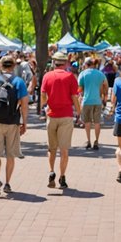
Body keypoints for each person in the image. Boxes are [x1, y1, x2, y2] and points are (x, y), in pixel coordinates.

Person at [0, 55, 29, 196]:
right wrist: (24, 123)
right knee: (10, 155)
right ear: (14, 66)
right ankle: (7, 184)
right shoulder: (19, 82)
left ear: (0, 66)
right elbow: (24, 104)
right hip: (12, 122)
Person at [41, 51, 81, 189]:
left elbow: (43, 95)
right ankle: (62, 177)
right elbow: (75, 97)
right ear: (65, 63)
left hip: (52, 115)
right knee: (64, 150)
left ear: (54, 62)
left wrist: (44, 107)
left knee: (51, 148)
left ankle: (51, 171)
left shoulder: (47, 76)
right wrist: (79, 111)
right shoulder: (70, 77)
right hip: (66, 115)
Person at [77, 57, 108, 150]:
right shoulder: (100, 74)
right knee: (97, 122)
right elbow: (105, 85)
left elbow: (79, 88)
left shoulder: (83, 74)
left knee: (87, 122)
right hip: (97, 101)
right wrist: (104, 96)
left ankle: (89, 141)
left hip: (86, 100)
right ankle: (96, 141)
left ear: (86, 64)